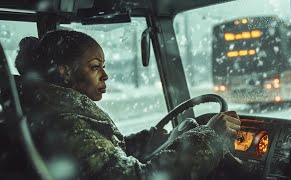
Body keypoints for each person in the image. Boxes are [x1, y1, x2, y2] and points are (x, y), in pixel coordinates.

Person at [15, 30, 241, 180]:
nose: (105, 76)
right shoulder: (66, 124)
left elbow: (105, 159)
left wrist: (149, 140)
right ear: (65, 72)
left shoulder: (51, 113)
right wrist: (211, 137)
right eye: (95, 67)